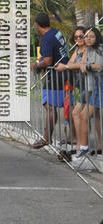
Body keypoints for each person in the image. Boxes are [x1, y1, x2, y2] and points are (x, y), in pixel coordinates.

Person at [31, 13, 69, 149]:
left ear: (37, 25)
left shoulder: (46, 38)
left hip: (55, 75)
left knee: (50, 106)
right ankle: (70, 138)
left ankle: (47, 138)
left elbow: (48, 61)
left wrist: (35, 65)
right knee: (58, 106)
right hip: (63, 72)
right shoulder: (56, 32)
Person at [71, 27, 103, 171]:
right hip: (93, 86)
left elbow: (99, 66)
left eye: (91, 36)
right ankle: (83, 148)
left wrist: (87, 65)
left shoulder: (99, 49)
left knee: (85, 115)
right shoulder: (88, 50)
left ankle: (84, 148)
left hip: (99, 85)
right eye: (86, 36)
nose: (88, 39)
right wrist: (84, 64)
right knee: (85, 116)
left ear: (97, 38)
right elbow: (80, 64)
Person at [54, 26, 87, 161]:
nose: (79, 39)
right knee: (79, 114)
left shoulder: (87, 50)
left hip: (91, 86)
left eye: (81, 36)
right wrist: (69, 65)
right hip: (82, 86)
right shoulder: (77, 49)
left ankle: (82, 145)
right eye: (76, 37)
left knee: (81, 115)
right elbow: (71, 62)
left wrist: (67, 67)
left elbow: (80, 64)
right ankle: (80, 144)